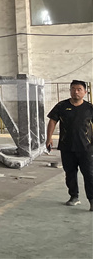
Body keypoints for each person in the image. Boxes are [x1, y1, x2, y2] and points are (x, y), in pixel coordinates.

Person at [45, 80, 93, 211]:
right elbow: (52, 121)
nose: (75, 92)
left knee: (89, 174)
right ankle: (74, 197)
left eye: (79, 89)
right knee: (70, 173)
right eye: (73, 89)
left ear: (85, 92)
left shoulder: (89, 108)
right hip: (67, 147)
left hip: (86, 148)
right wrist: (49, 138)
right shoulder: (61, 106)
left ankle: (92, 200)